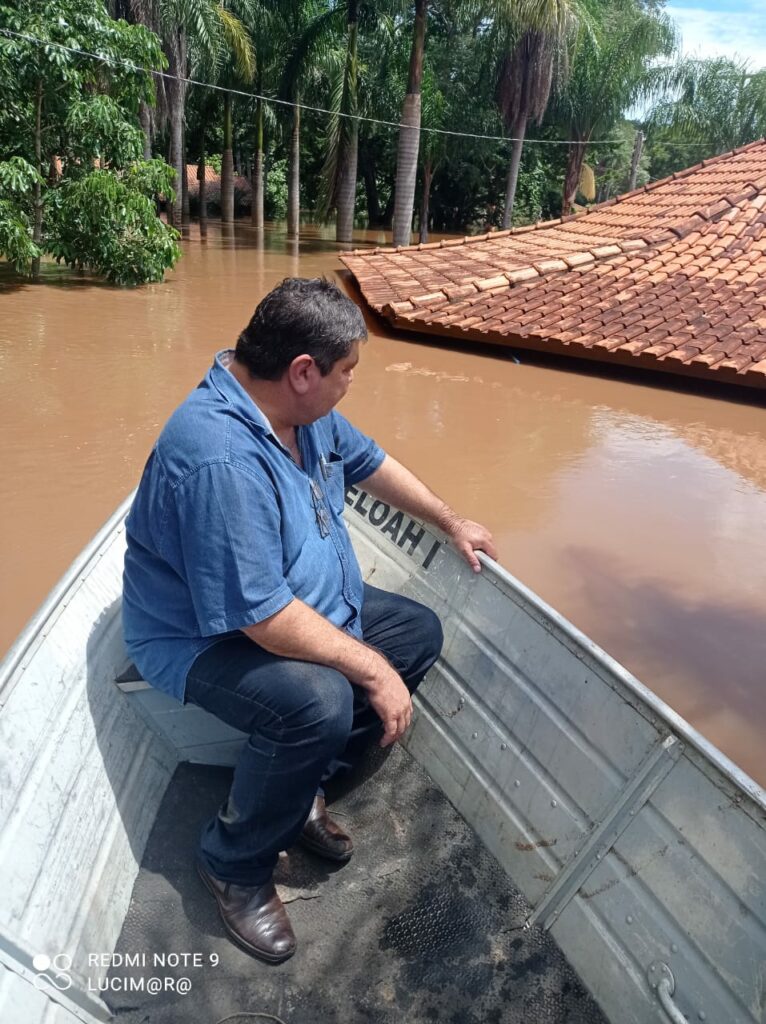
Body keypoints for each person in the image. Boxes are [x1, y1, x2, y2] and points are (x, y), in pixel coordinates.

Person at [122, 277, 496, 964]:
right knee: (318, 702)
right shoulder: (220, 457)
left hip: (288, 602)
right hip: (200, 635)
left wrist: (450, 521)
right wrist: (370, 670)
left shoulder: (300, 410)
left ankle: (297, 793)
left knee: (415, 634)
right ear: (303, 372)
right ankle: (233, 863)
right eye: (348, 371)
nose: (350, 383)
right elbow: (263, 619)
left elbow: (369, 462)